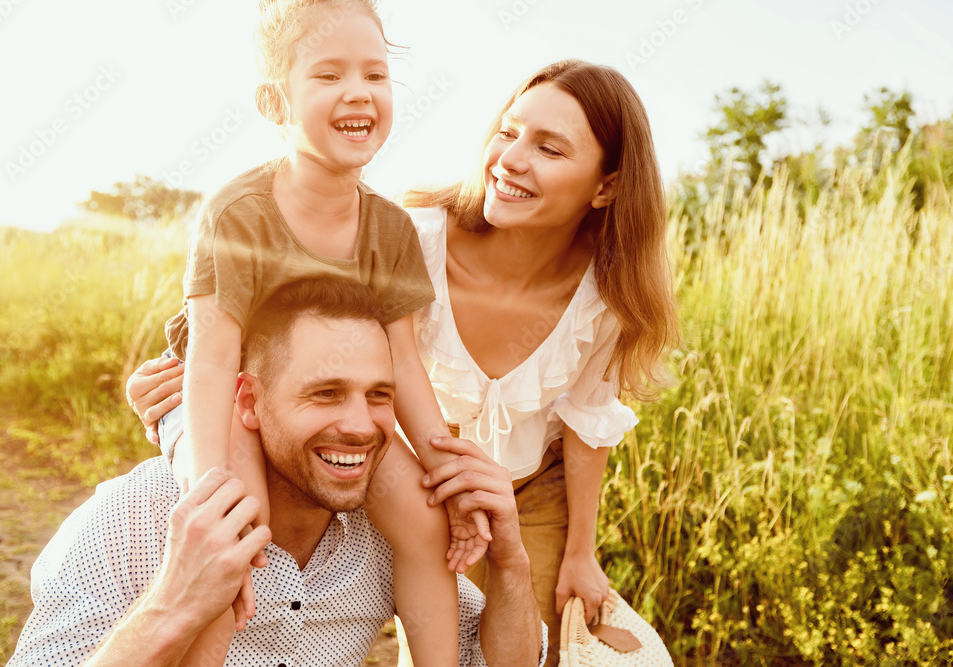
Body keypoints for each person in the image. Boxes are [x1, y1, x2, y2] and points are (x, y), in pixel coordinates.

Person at [131, 59, 680, 665]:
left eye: (549, 148)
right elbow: (300, 329)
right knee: (431, 584)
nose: (512, 158)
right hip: (414, 458)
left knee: (532, 643)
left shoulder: (607, 296)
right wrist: (207, 372)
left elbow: (587, 421)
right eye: (508, 130)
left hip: (534, 488)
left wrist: (583, 550)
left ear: (605, 187)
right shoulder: (413, 237)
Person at [153, 0, 488, 662]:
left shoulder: (390, 229)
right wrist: (207, 484)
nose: (358, 92)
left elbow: (404, 364)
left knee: (423, 522)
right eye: (328, 75)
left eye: (374, 74)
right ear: (275, 102)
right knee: (234, 527)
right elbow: (214, 361)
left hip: (327, 401)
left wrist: (447, 471)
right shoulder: (237, 212)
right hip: (236, 396)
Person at [8, 278, 546, 667]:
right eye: (325, 393)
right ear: (248, 402)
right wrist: (173, 603)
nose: (361, 426)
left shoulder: (390, 534)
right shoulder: (130, 520)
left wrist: (511, 562)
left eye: (379, 395)